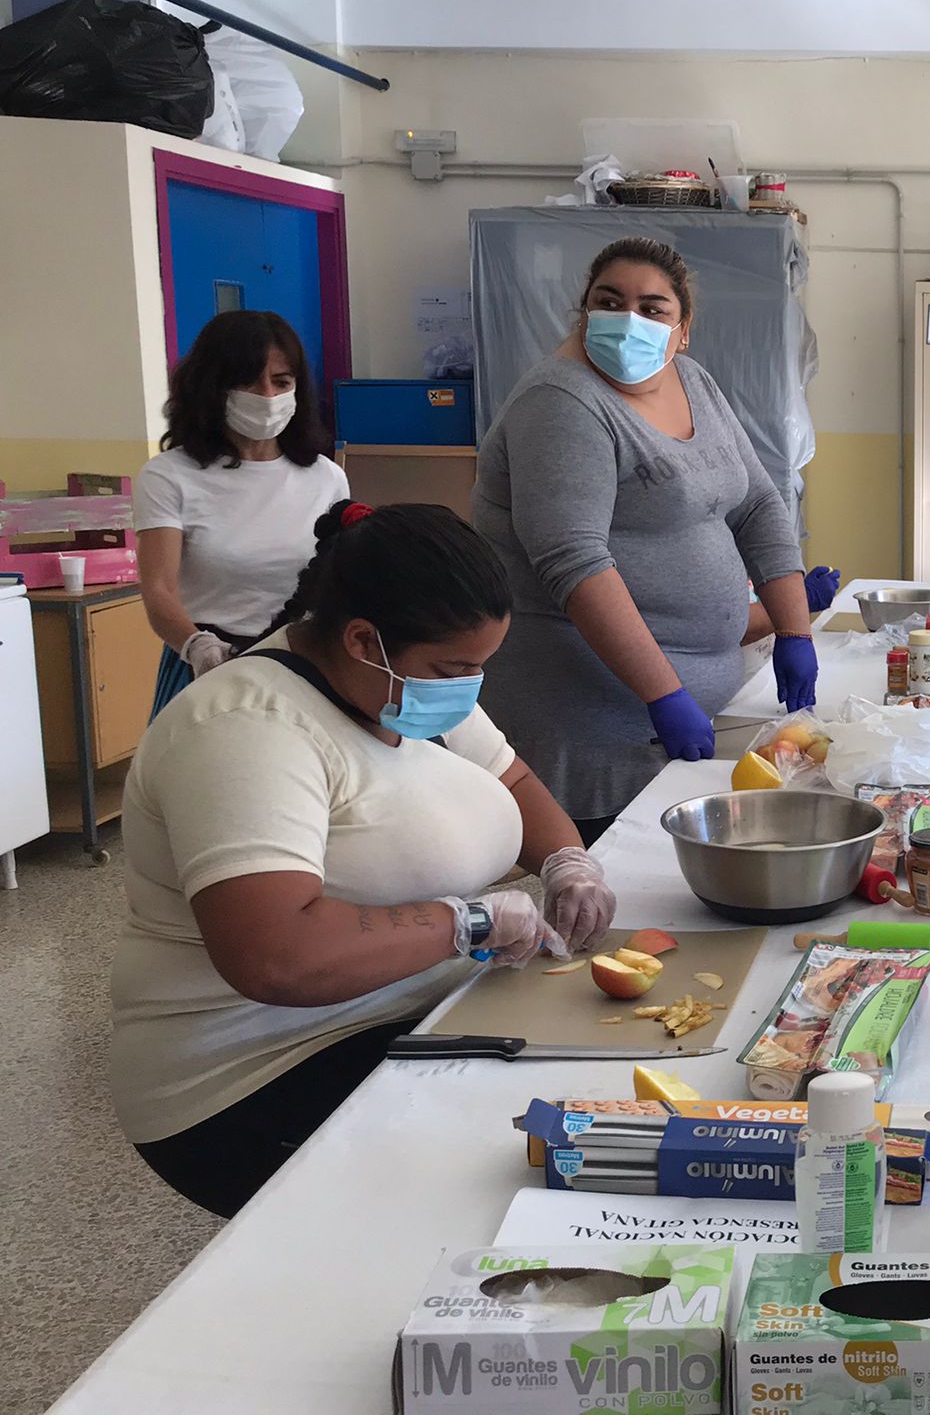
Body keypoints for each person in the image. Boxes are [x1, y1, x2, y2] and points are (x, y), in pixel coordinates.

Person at [113, 500, 617, 1218]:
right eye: (455, 668)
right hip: (259, 1070)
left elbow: (512, 779)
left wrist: (569, 861)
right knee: (510, 1185)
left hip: (409, 1008)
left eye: (477, 667)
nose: (466, 685)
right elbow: (276, 957)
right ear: (360, 639)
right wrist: (464, 924)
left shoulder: (408, 684)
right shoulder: (246, 728)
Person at [472, 237, 816, 842]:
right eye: (610, 302)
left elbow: (758, 503)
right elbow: (573, 560)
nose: (629, 320)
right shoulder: (561, 403)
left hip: (677, 707)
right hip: (594, 717)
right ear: (584, 311)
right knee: (615, 876)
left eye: (652, 308)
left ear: (683, 330)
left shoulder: (692, 380)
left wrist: (794, 630)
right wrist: (664, 693)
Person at [134, 310, 348, 718]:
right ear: (212, 387)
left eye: (281, 382)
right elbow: (158, 590)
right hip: (208, 662)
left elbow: (337, 579)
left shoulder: (326, 477)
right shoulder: (168, 476)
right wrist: (197, 646)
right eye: (249, 381)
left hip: (304, 663)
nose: (266, 395)